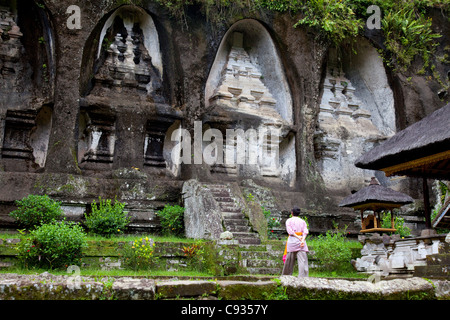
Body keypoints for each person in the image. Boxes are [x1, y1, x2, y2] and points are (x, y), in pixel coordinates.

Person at [281, 206, 309, 277]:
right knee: (302, 261)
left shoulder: (289, 221)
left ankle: (286, 276)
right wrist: (302, 239)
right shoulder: (302, 221)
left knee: (289, 260)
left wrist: (298, 237)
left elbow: (290, 232)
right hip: (301, 241)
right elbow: (305, 232)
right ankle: (303, 277)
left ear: (292, 213)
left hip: (292, 241)